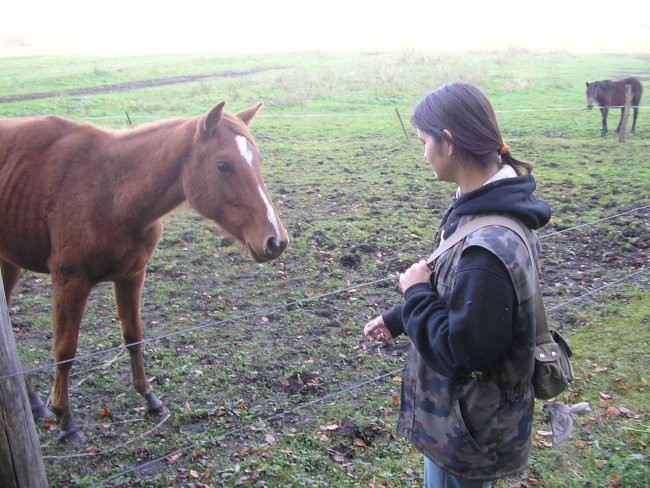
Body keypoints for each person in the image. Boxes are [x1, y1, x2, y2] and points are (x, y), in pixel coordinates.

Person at [363, 81, 552, 487]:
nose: (423, 152)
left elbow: (462, 352)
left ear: (448, 142)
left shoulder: (486, 247)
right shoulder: (484, 204)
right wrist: (400, 317)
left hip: (465, 433)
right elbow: (463, 298)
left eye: (423, 141)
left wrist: (414, 293)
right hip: (465, 421)